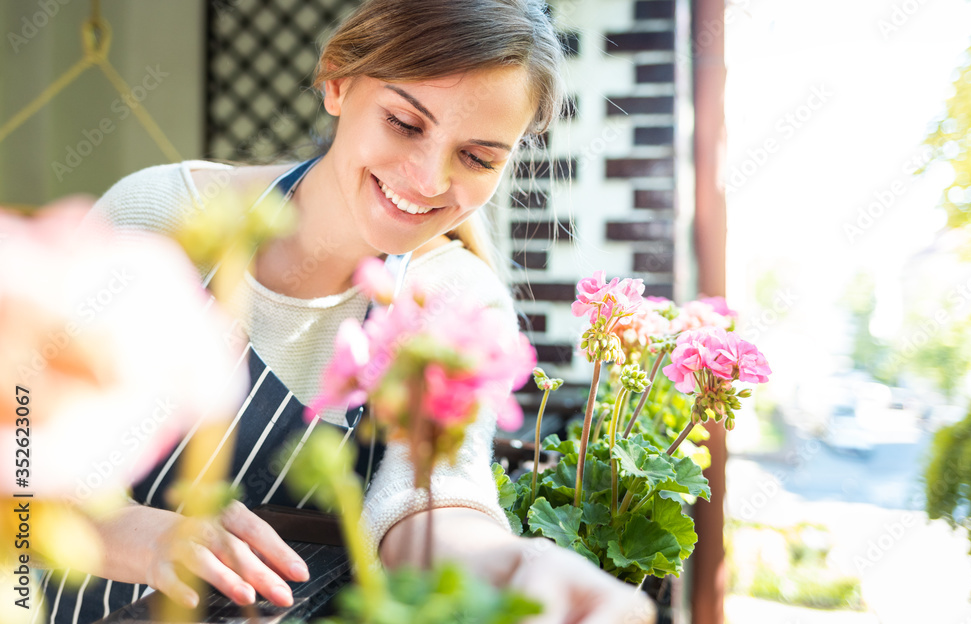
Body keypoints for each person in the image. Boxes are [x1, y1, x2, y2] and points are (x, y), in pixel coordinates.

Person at [39, 1, 657, 622]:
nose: (428, 179)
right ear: (337, 82)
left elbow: (435, 493)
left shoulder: (455, 298)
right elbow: (17, 452)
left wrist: (518, 566)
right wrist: (146, 537)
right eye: (404, 123)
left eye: (478, 158)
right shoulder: (162, 218)